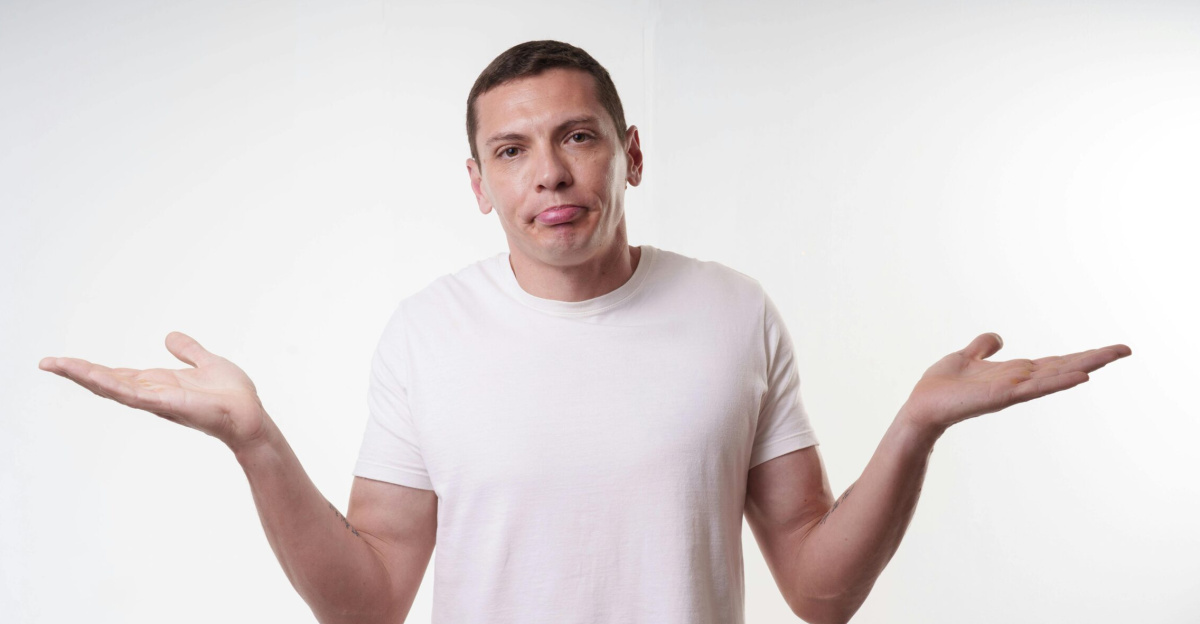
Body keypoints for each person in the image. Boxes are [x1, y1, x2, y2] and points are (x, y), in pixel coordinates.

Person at [38, 40, 1131, 624]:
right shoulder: (426, 332)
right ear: (479, 183)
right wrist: (256, 442)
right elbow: (367, 606)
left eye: (578, 137)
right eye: (512, 151)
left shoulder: (734, 311)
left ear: (630, 153)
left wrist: (916, 427)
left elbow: (818, 589)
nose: (550, 173)